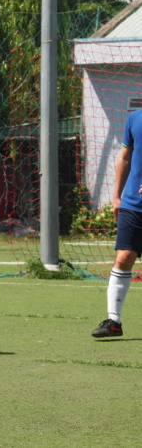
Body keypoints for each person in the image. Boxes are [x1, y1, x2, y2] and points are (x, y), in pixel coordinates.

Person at [91, 110, 142, 338]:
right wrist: (117, 196)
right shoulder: (134, 118)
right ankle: (114, 321)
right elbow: (124, 157)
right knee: (123, 257)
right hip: (132, 203)